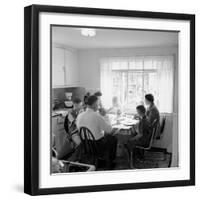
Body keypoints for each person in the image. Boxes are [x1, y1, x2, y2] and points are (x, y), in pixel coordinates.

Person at [76, 95, 118, 168]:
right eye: (98, 104)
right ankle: (109, 162)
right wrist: (105, 116)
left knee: (105, 136)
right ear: (94, 104)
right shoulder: (96, 116)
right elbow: (109, 130)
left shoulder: (80, 115)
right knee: (113, 138)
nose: (98, 106)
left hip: (85, 144)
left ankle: (99, 159)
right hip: (97, 145)